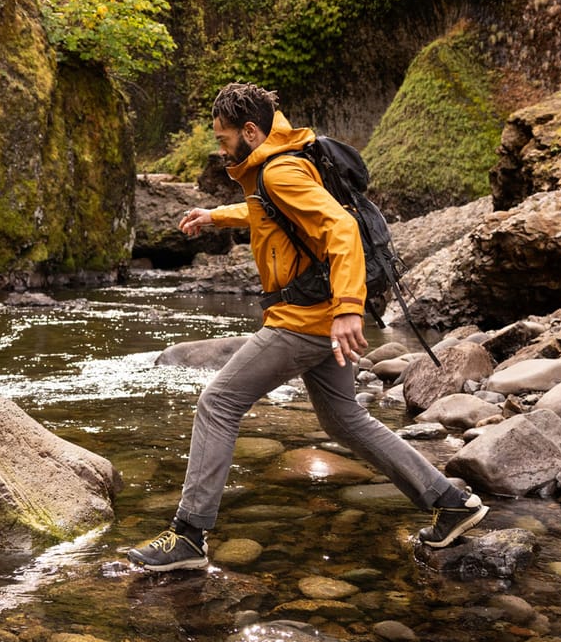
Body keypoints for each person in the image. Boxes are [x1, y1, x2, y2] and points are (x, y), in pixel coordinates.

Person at [127, 82, 489, 571]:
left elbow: (339, 228)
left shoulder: (279, 170)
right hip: (321, 317)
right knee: (344, 418)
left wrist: (346, 309)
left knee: (218, 403)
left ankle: (188, 536)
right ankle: (448, 503)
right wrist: (217, 216)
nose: (220, 147)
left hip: (307, 320)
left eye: (223, 137)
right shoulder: (283, 160)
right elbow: (271, 215)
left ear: (250, 132)